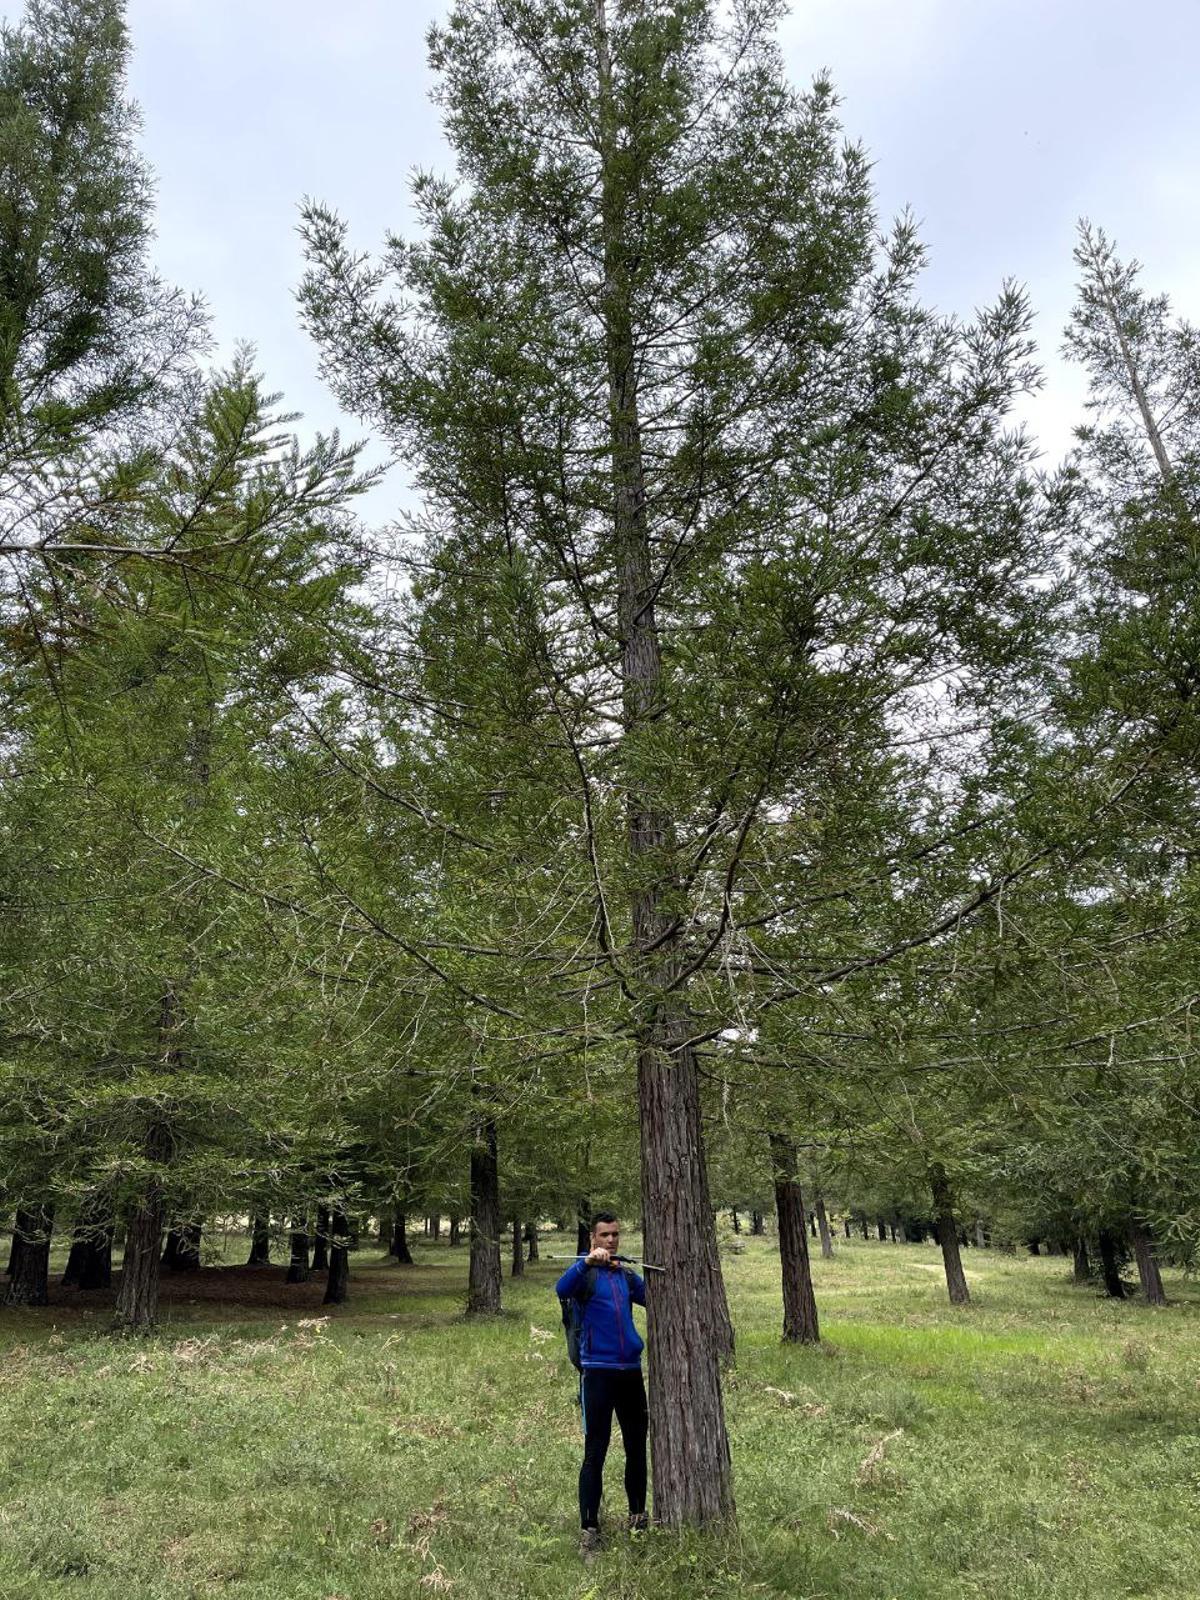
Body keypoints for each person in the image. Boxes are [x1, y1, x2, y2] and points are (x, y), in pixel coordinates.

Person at [555, 1211, 649, 1556]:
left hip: (630, 1371)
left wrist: (628, 1271)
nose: (611, 1240)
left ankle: (638, 1520)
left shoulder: (622, 1274)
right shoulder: (585, 1275)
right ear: (593, 1239)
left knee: (637, 1447)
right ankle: (590, 1530)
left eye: (615, 1235)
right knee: (595, 1451)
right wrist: (585, 1263)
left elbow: (649, 1296)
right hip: (597, 1372)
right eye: (605, 1235)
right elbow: (561, 1289)